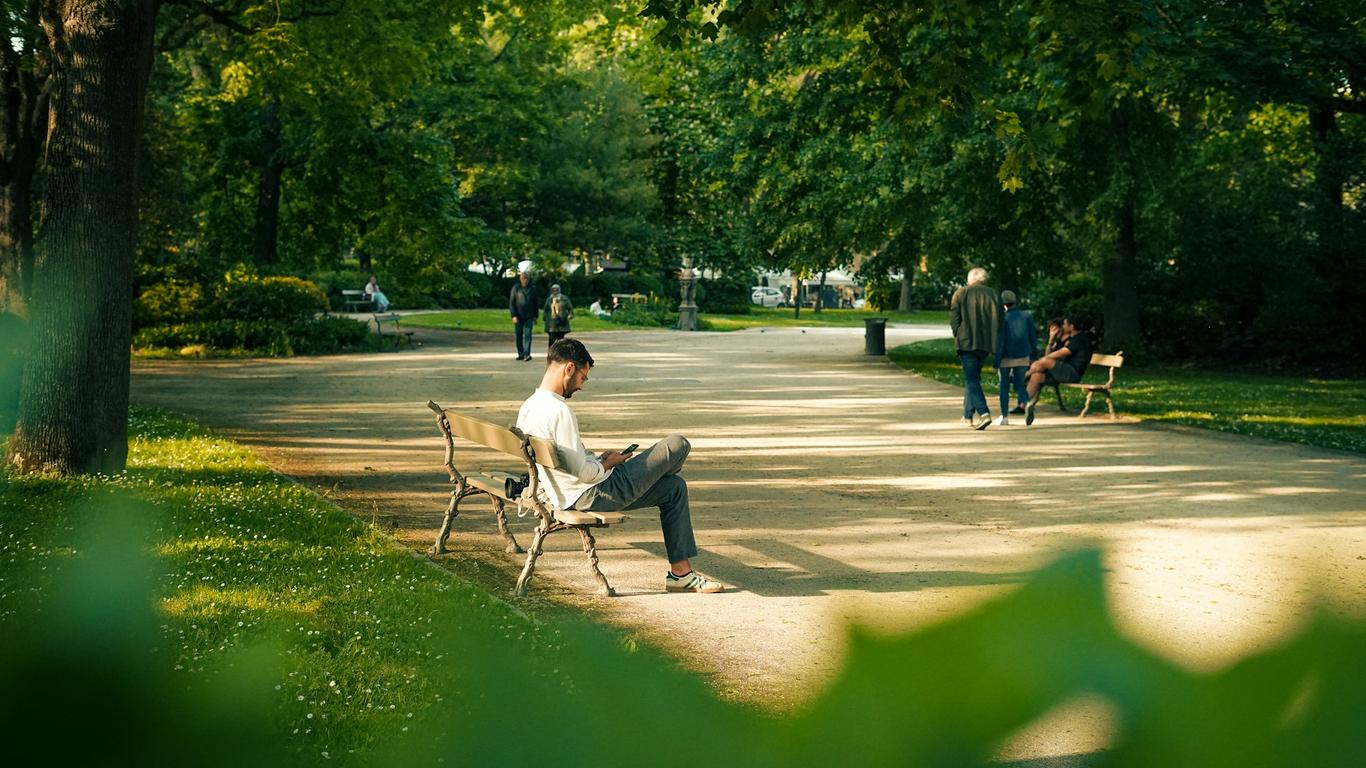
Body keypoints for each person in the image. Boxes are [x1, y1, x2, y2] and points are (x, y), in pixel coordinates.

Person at [516, 339, 725, 594]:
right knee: (677, 444)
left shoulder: (529, 406)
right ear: (569, 368)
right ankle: (652, 476)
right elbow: (583, 473)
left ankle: (680, 574)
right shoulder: (560, 411)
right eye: (583, 377)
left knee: (673, 487)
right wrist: (608, 464)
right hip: (592, 494)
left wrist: (597, 460)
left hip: (564, 492)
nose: (581, 385)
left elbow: (573, 463)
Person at [949, 267, 1001, 430]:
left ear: (970, 279)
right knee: (973, 378)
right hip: (986, 342)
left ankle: (984, 413)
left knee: (972, 379)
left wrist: (957, 333)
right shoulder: (994, 294)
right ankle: (967, 415)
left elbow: (954, 318)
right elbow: (1000, 320)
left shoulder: (961, 293)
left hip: (966, 342)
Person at [1023, 316, 1091, 426]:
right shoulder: (1066, 340)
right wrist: (1050, 341)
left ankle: (1023, 376)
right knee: (1037, 376)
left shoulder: (1079, 339)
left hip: (1072, 373)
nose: (1063, 326)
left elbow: (1061, 353)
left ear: (1071, 327)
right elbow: (1047, 357)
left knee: (1045, 362)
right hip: (1061, 373)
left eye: (1065, 324)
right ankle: (1024, 404)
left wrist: (1042, 361)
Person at [993, 290, 1037, 426]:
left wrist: (996, 361)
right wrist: (1034, 355)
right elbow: (1032, 337)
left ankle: (1004, 416)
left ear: (1003, 303)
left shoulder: (1003, 318)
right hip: (1023, 355)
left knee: (1004, 386)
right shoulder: (1026, 316)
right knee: (1019, 383)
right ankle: (1026, 402)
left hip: (1006, 356)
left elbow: (1000, 341)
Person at [509, 271, 539, 361]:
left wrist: (535, 317)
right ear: (520, 279)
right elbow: (512, 303)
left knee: (528, 335)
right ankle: (521, 353)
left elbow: (536, 303)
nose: (525, 280)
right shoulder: (515, 288)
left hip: (529, 316)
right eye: (523, 278)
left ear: (528, 279)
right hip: (518, 316)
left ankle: (527, 354)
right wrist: (513, 315)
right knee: (518, 335)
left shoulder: (533, 289)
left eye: (526, 278)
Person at [543, 284, 573, 350]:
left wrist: (570, 315)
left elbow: (570, 308)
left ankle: (560, 354)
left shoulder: (564, 299)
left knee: (561, 340)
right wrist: (545, 318)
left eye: (556, 289)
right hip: (552, 323)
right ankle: (551, 353)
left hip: (562, 322)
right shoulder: (549, 299)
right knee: (551, 339)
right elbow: (545, 310)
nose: (555, 291)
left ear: (559, 290)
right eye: (553, 290)